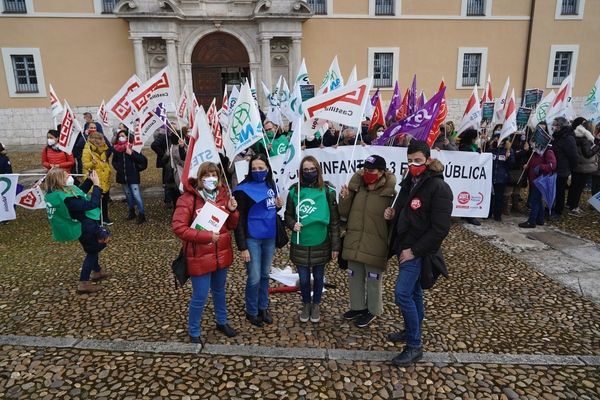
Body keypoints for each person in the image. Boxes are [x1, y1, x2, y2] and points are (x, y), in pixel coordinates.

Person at [385, 140, 453, 366]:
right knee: (414, 293)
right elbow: (406, 211)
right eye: (409, 161)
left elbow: (440, 229)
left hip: (417, 250)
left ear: (428, 159)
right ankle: (410, 329)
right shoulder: (409, 182)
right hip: (404, 246)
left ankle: (414, 346)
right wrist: (392, 214)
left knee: (402, 294)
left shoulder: (439, 188)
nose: (413, 164)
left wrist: (414, 251)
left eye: (418, 161)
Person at [172, 162, 240, 343]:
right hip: (199, 256)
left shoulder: (223, 196)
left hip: (221, 253)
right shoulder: (188, 199)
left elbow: (231, 225)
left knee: (219, 291)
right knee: (200, 296)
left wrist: (233, 211)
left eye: (215, 174)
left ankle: (222, 321)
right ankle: (194, 331)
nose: (211, 178)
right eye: (207, 175)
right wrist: (206, 236)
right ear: (200, 177)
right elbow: (179, 228)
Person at [338, 155, 396, 328]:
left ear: (381, 172)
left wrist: (392, 216)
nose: (366, 173)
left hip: (376, 243)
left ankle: (373, 310)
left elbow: (396, 219)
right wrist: (345, 197)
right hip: (355, 240)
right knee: (354, 276)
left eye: (371, 171)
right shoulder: (358, 188)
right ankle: (358, 307)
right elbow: (344, 213)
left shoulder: (391, 193)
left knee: (373, 279)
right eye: (365, 169)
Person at [284, 155, 341, 323]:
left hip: (321, 242)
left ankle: (316, 304)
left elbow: (335, 221)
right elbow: (287, 215)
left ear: (318, 170)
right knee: (302, 279)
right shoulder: (295, 191)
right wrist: (292, 223)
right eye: (306, 169)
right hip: (300, 242)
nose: (309, 172)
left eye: (312, 169)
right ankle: (306, 303)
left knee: (318, 276)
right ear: (301, 172)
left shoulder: (328, 191)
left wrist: (336, 246)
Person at [233, 153, 284, 327]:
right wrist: (242, 247)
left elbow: (270, 210)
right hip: (251, 238)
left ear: (267, 169)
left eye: (261, 168)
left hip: (269, 237)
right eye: (254, 168)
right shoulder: (242, 189)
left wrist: (278, 206)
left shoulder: (271, 185)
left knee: (264, 274)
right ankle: (251, 310)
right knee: (254, 277)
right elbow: (238, 220)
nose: (257, 171)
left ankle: (263, 307)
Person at [43, 168, 110, 294]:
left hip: (85, 225)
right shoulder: (67, 199)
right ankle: (83, 283)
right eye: (65, 175)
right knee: (92, 251)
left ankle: (97, 271)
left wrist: (89, 181)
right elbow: (92, 204)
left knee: (93, 249)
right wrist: (96, 186)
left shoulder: (64, 191)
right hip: (85, 227)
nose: (69, 176)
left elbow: (81, 191)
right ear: (59, 181)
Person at [111, 130, 148, 224]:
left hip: (133, 176)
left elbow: (143, 160)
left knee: (136, 195)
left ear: (127, 137)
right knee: (128, 195)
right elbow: (114, 161)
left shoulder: (133, 148)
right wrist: (118, 167)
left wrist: (131, 153)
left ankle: (142, 213)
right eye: (119, 136)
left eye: (123, 135)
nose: (121, 137)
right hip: (122, 176)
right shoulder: (116, 149)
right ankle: (131, 211)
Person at [519, 142, 557, 228]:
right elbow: (534, 162)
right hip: (534, 179)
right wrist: (528, 166)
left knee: (534, 200)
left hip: (540, 180)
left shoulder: (547, 151)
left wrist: (540, 167)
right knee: (537, 200)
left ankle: (531, 221)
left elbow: (552, 165)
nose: (532, 143)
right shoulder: (536, 152)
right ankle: (540, 219)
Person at [567, 118, 600, 215]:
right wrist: (597, 144)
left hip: (577, 166)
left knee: (574, 187)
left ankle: (570, 204)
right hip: (583, 168)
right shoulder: (584, 139)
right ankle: (574, 207)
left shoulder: (574, 136)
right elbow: (588, 154)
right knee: (578, 188)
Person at [82, 130, 112, 225]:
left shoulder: (103, 148)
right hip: (95, 178)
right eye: (99, 140)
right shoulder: (87, 150)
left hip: (104, 177)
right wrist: (92, 163)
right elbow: (85, 164)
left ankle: (105, 218)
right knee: (96, 201)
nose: (101, 142)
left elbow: (105, 161)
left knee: (105, 200)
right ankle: (98, 220)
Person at [550, 117, 578, 218]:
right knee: (553, 190)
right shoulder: (556, 136)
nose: (553, 126)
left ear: (561, 126)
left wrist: (569, 168)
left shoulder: (568, 138)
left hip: (562, 169)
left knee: (560, 191)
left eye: (555, 124)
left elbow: (574, 156)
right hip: (554, 168)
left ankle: (558, 211)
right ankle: (550, 208)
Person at [488, 132, 515, 221]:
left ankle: (497, 215)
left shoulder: (508, 150)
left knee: (499, 197)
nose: (496, 140)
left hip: (501, 178)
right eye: (495, 138)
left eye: (498, 138)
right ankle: (488, 213)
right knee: (490, 197)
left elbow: (512, 164)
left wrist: (509, 157)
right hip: (490, 177)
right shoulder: (492, 149)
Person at [458, 128, 482, 225]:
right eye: (476, 138)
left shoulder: (472, 146)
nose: (477, 139)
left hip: (471, 175)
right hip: (467, 176)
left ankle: (467, 214)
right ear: (471, 138)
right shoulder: (464, 147)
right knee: (468, 194)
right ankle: (469, 215)